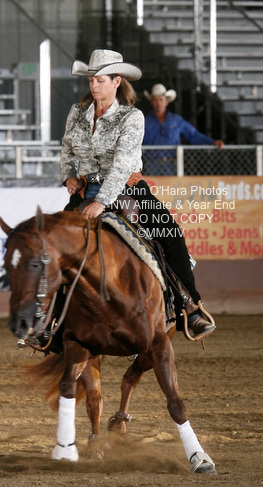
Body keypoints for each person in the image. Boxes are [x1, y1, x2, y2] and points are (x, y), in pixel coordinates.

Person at [60, 49, 215, 339]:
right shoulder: (77, 113)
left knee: (170, 234)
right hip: (84, 189)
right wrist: (68, 174)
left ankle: (189, 306)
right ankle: (53, 323)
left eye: (100, 80)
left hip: (128, 188)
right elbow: (67, 148)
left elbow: (122, 165)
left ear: (116, 82)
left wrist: (101, 201)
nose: (94, 85)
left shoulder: (132, 117)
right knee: (56, 244)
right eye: (91, 80)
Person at [142, 83, 224, 175]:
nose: (158, 103)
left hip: (172, 164)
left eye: (161, 100)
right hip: (152, 164)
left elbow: (193, 134)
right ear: (151, 102)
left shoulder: (176, 120)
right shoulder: (144, 122)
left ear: (166, 102)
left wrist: (212, 142)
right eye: (155, 100)